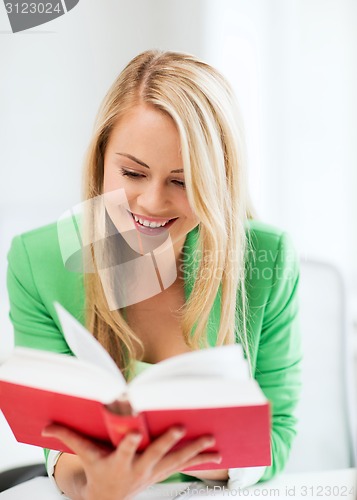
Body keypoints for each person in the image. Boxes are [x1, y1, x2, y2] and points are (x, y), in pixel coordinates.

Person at [7, 49, 302, 499]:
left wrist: (180, 457)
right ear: (101, 160)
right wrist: (98, 485)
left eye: (182, 181)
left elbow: (276, 434)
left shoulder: (268, 258)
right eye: (132, 173)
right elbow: (53, 441)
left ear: (219, 180)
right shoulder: (39, 259)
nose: (150, 202)